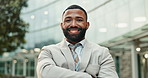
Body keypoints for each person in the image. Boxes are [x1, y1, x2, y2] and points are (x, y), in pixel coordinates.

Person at [36, 4, 119, 78]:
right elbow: (45, 73)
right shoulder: (48, 51)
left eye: (79, 20)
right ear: (62, 25)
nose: (73, 24)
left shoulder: (102, 53)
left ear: (87, 25)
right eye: (68, 20)